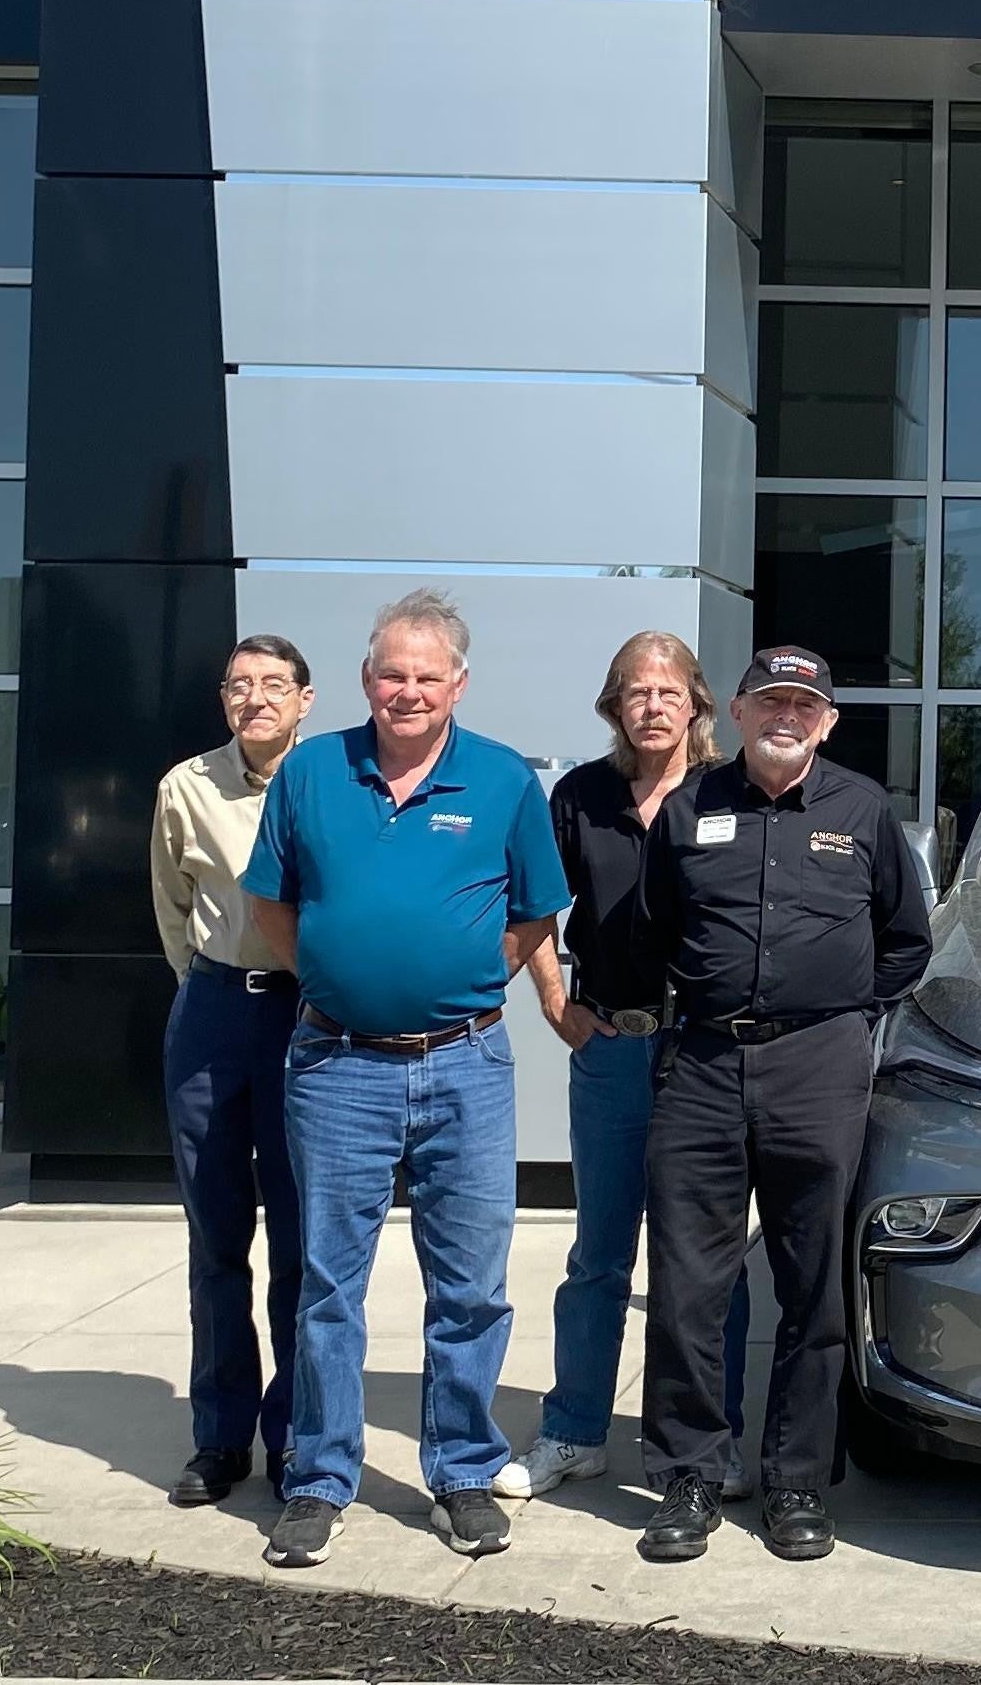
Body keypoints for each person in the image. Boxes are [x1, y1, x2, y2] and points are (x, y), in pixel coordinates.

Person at [241, 589, 572, 1569]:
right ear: (364, 679)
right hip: (337, 1064)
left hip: (467, 1065)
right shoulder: (312, 772)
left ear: (459, 683)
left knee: (470, 1284)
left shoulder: (504, 780)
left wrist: (461, 986)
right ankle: (318, 1476)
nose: (410, 690)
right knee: (326, 1281)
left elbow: (534, 913)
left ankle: (463, 1469)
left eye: (430, 675)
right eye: (393, 672)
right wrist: (345, 980)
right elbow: (272, 907)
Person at [630, 647, 931, 1565]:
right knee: (686, 1284)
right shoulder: (689, 807)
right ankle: (689, 1474)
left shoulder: (862, 810)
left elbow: (906, 941)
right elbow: (656, 928)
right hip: (709, 1063)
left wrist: (835, 1015)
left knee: (814, 1285)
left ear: (828, 720)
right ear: (742, 710)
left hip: (820, 1070)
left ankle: (797, 1480)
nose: (786, 716)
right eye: (770, 701)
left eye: (805, 703)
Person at [499, 632, 757, 1503]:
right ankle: (574, 1431)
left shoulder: (732, 795)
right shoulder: (580, 797)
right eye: (635, 692)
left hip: (708, 1054)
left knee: (706, 1258)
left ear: (697, 703)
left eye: (668, 690)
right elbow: (533, 905)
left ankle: (711, 1443)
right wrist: (551, 1004)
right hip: (610, 1048)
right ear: (615, 706)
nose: (653, 705)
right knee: (600, 1256)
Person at [146, 634, 319, 1508]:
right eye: (239, 686)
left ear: (305, 699)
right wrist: (209, 986)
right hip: (213, 1013)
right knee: (216, 1236)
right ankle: (220, 1438)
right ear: (223, 701)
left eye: (273, 685)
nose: (256, 699)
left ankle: (294, 1439)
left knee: (298, 1237)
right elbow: (172, 908)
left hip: (301, 1013)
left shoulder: (329, 780)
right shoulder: (187, 786)